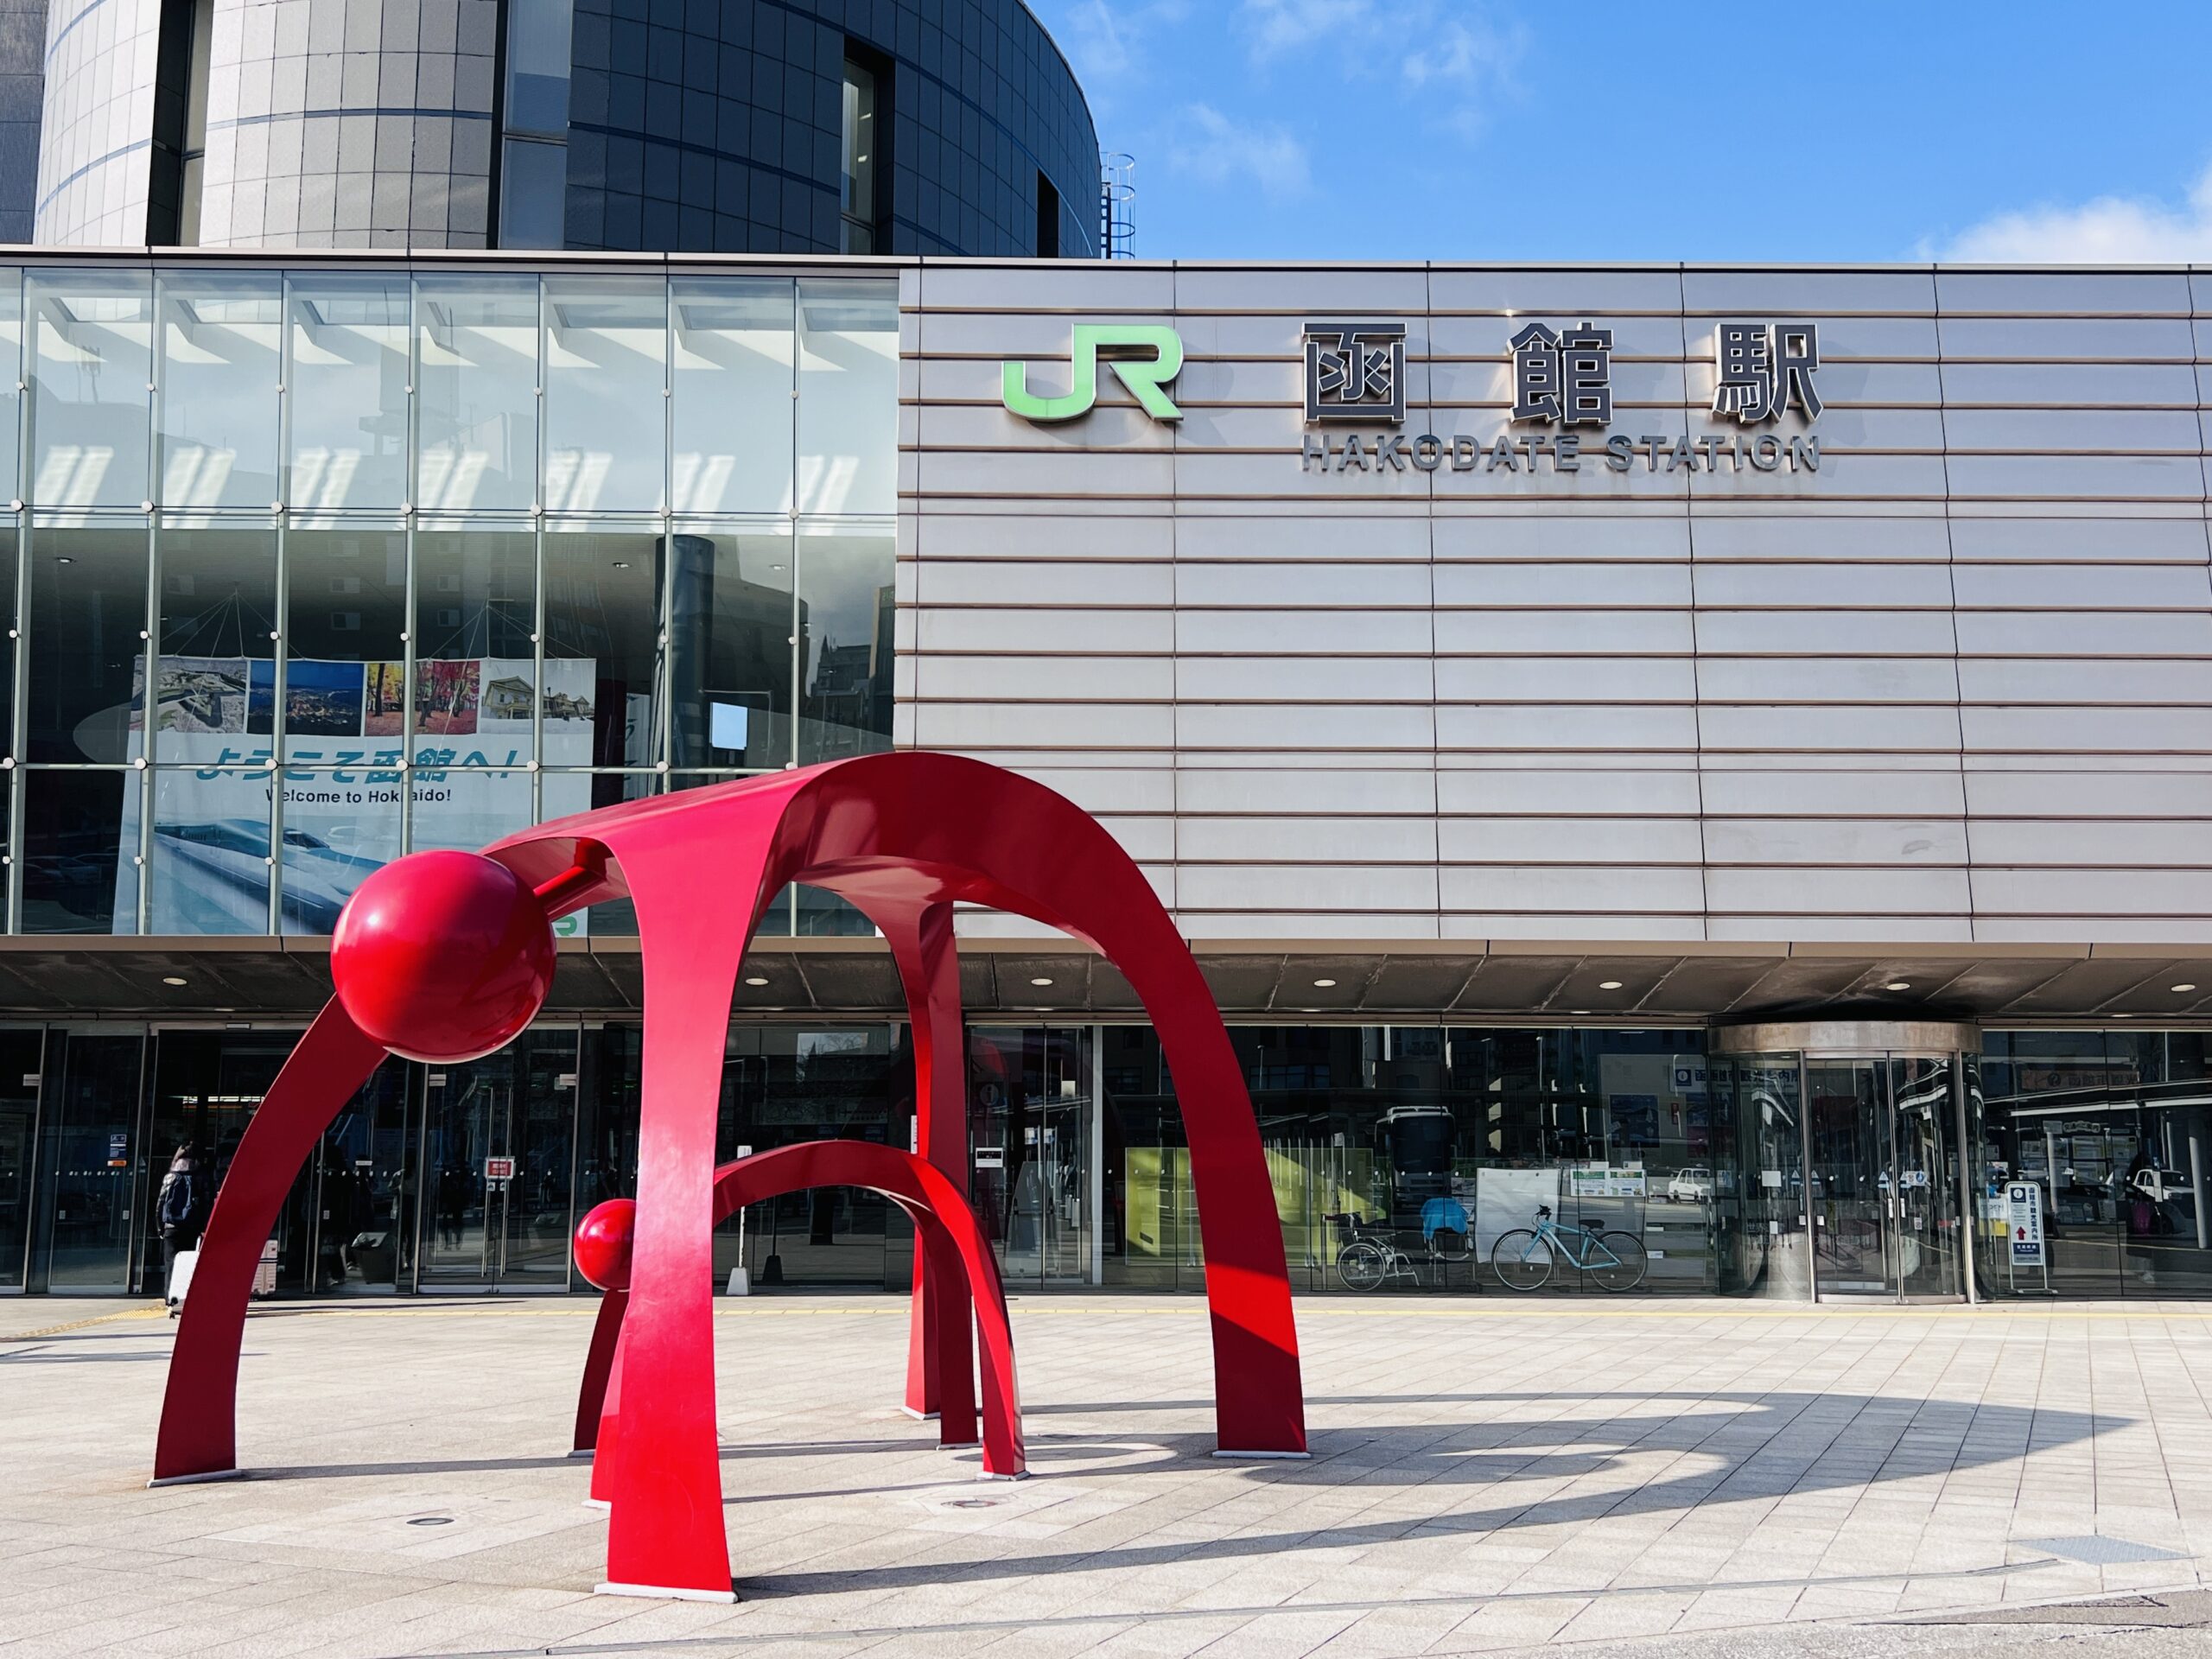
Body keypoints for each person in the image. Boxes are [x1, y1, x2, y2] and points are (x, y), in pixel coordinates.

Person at [157, 1142, 207, 1296]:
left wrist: (160, 1228)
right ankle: (185, 1296)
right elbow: (205, 1204)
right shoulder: (200, 1176)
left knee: (171, 1264)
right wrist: (203, 1226)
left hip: (171, 1227)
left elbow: (160, 1204)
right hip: (191, 1227)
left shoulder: (170, 1176)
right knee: (188, 1264)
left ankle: (170, 1297)